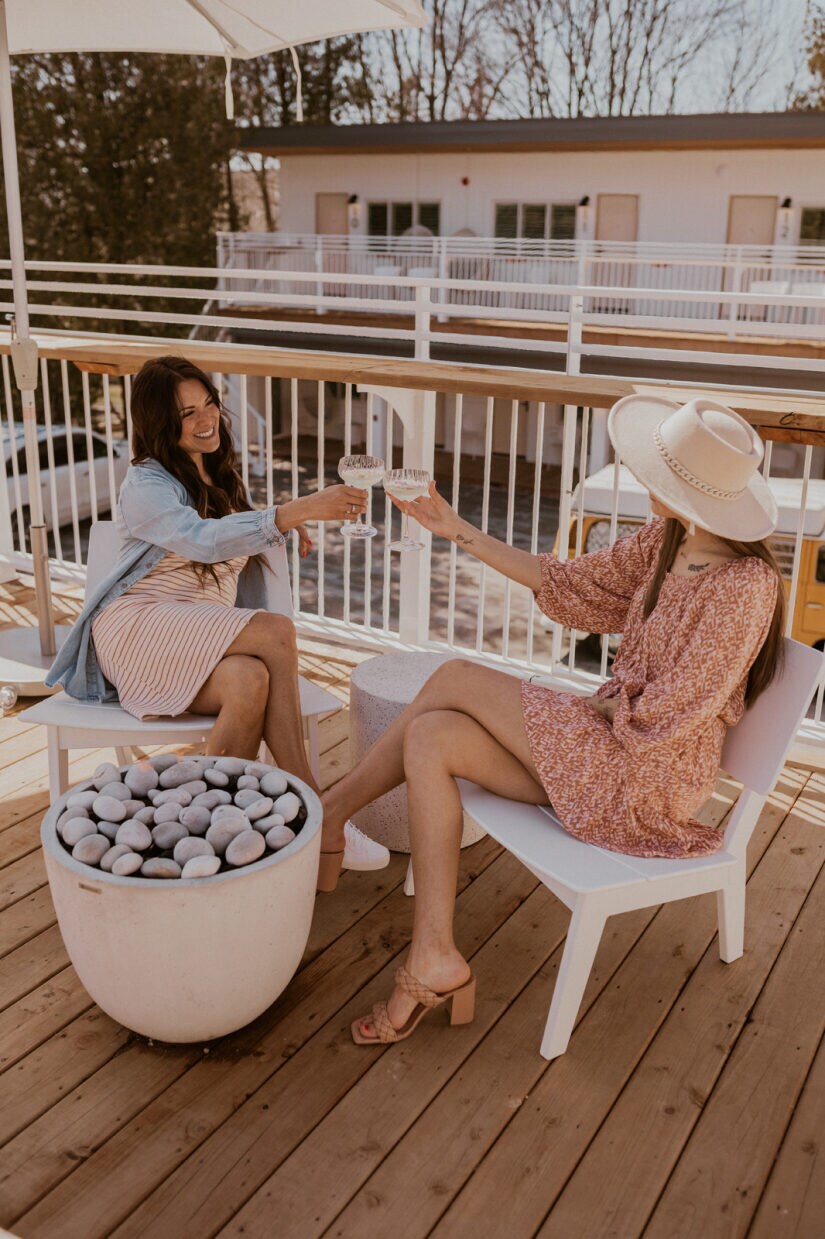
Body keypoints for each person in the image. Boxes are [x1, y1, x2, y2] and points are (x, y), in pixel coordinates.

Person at [320, 395, 786, 1045]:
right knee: (431, 735)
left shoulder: (746, 584)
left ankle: (329, 814)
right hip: (606, 742)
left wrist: (605, 706)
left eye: (656, 473)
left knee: (454, 678)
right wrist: (454, 528)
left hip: (648, 775)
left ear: (695, 492)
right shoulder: (667, 539)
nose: (643, 479)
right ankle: (433, 956)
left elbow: (681, 707)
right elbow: (567, 583)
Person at [46, 354, 389, 877]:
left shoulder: (216, 471)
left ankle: (218, 835)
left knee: (250, 679)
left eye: (208, 403)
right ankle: (316, 807)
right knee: (275, 631)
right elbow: (202, 541)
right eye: (187, 414)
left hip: (193, 635)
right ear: (159, 422)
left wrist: (275, 524)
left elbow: (232, 533)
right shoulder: (146, 483)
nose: (206, 419)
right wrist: (293, 511)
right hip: (139, 628)